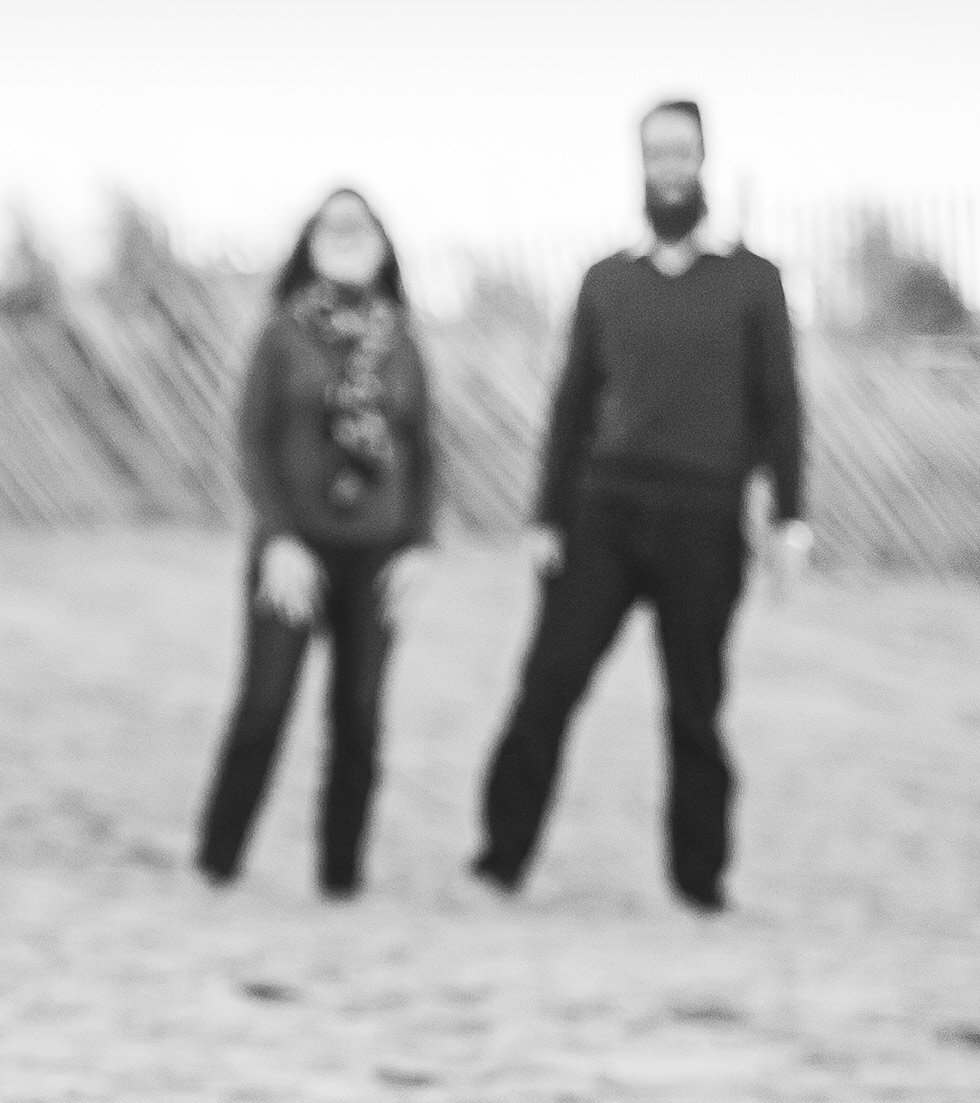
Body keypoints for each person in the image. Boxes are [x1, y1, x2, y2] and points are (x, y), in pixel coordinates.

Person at [474, 98, 809, 912]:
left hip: (704, 517)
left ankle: (699, 881)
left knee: (695, 704)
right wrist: (546, 517)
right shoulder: (605, 279)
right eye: (656, 152)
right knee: (548, 683)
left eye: (682, 152)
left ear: (703, 161)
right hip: (603, 514)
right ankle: (500, 860)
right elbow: (571, 405)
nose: (669, 166)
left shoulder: (752, 281)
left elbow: (780, 405)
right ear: (641, 163)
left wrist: (791, 517)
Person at [195, 187, 438, 898]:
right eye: (333, 224)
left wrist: (420, 546)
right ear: (309, 241)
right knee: (265, 704)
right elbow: (254, 442)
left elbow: (423, 449)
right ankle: (218, 863)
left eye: (360, 224)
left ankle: (340, 879)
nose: (347, 234)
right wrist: (277, 540)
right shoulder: (282, 334)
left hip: (379, 551)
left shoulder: (404, 340)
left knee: (358, 716)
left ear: (384, 245)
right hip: (293, 549)